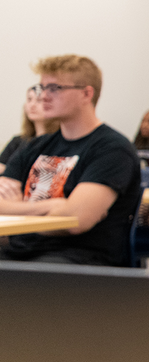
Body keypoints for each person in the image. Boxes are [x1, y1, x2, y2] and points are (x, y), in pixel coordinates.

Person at [0, 55, 140, 266]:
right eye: (42, 88)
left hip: (78, 258)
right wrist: (53, 205)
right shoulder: (35, 146)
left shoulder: (113, 149)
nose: (44, 96)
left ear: (86, 93)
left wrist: (17, 209)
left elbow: (75, 220)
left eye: (55, 88)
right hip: (21, 251)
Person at [0, 86, 60, 173]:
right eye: (29, 99)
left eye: (39, 100)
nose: (32, 105)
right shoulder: (18, 141)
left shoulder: (59, 142)